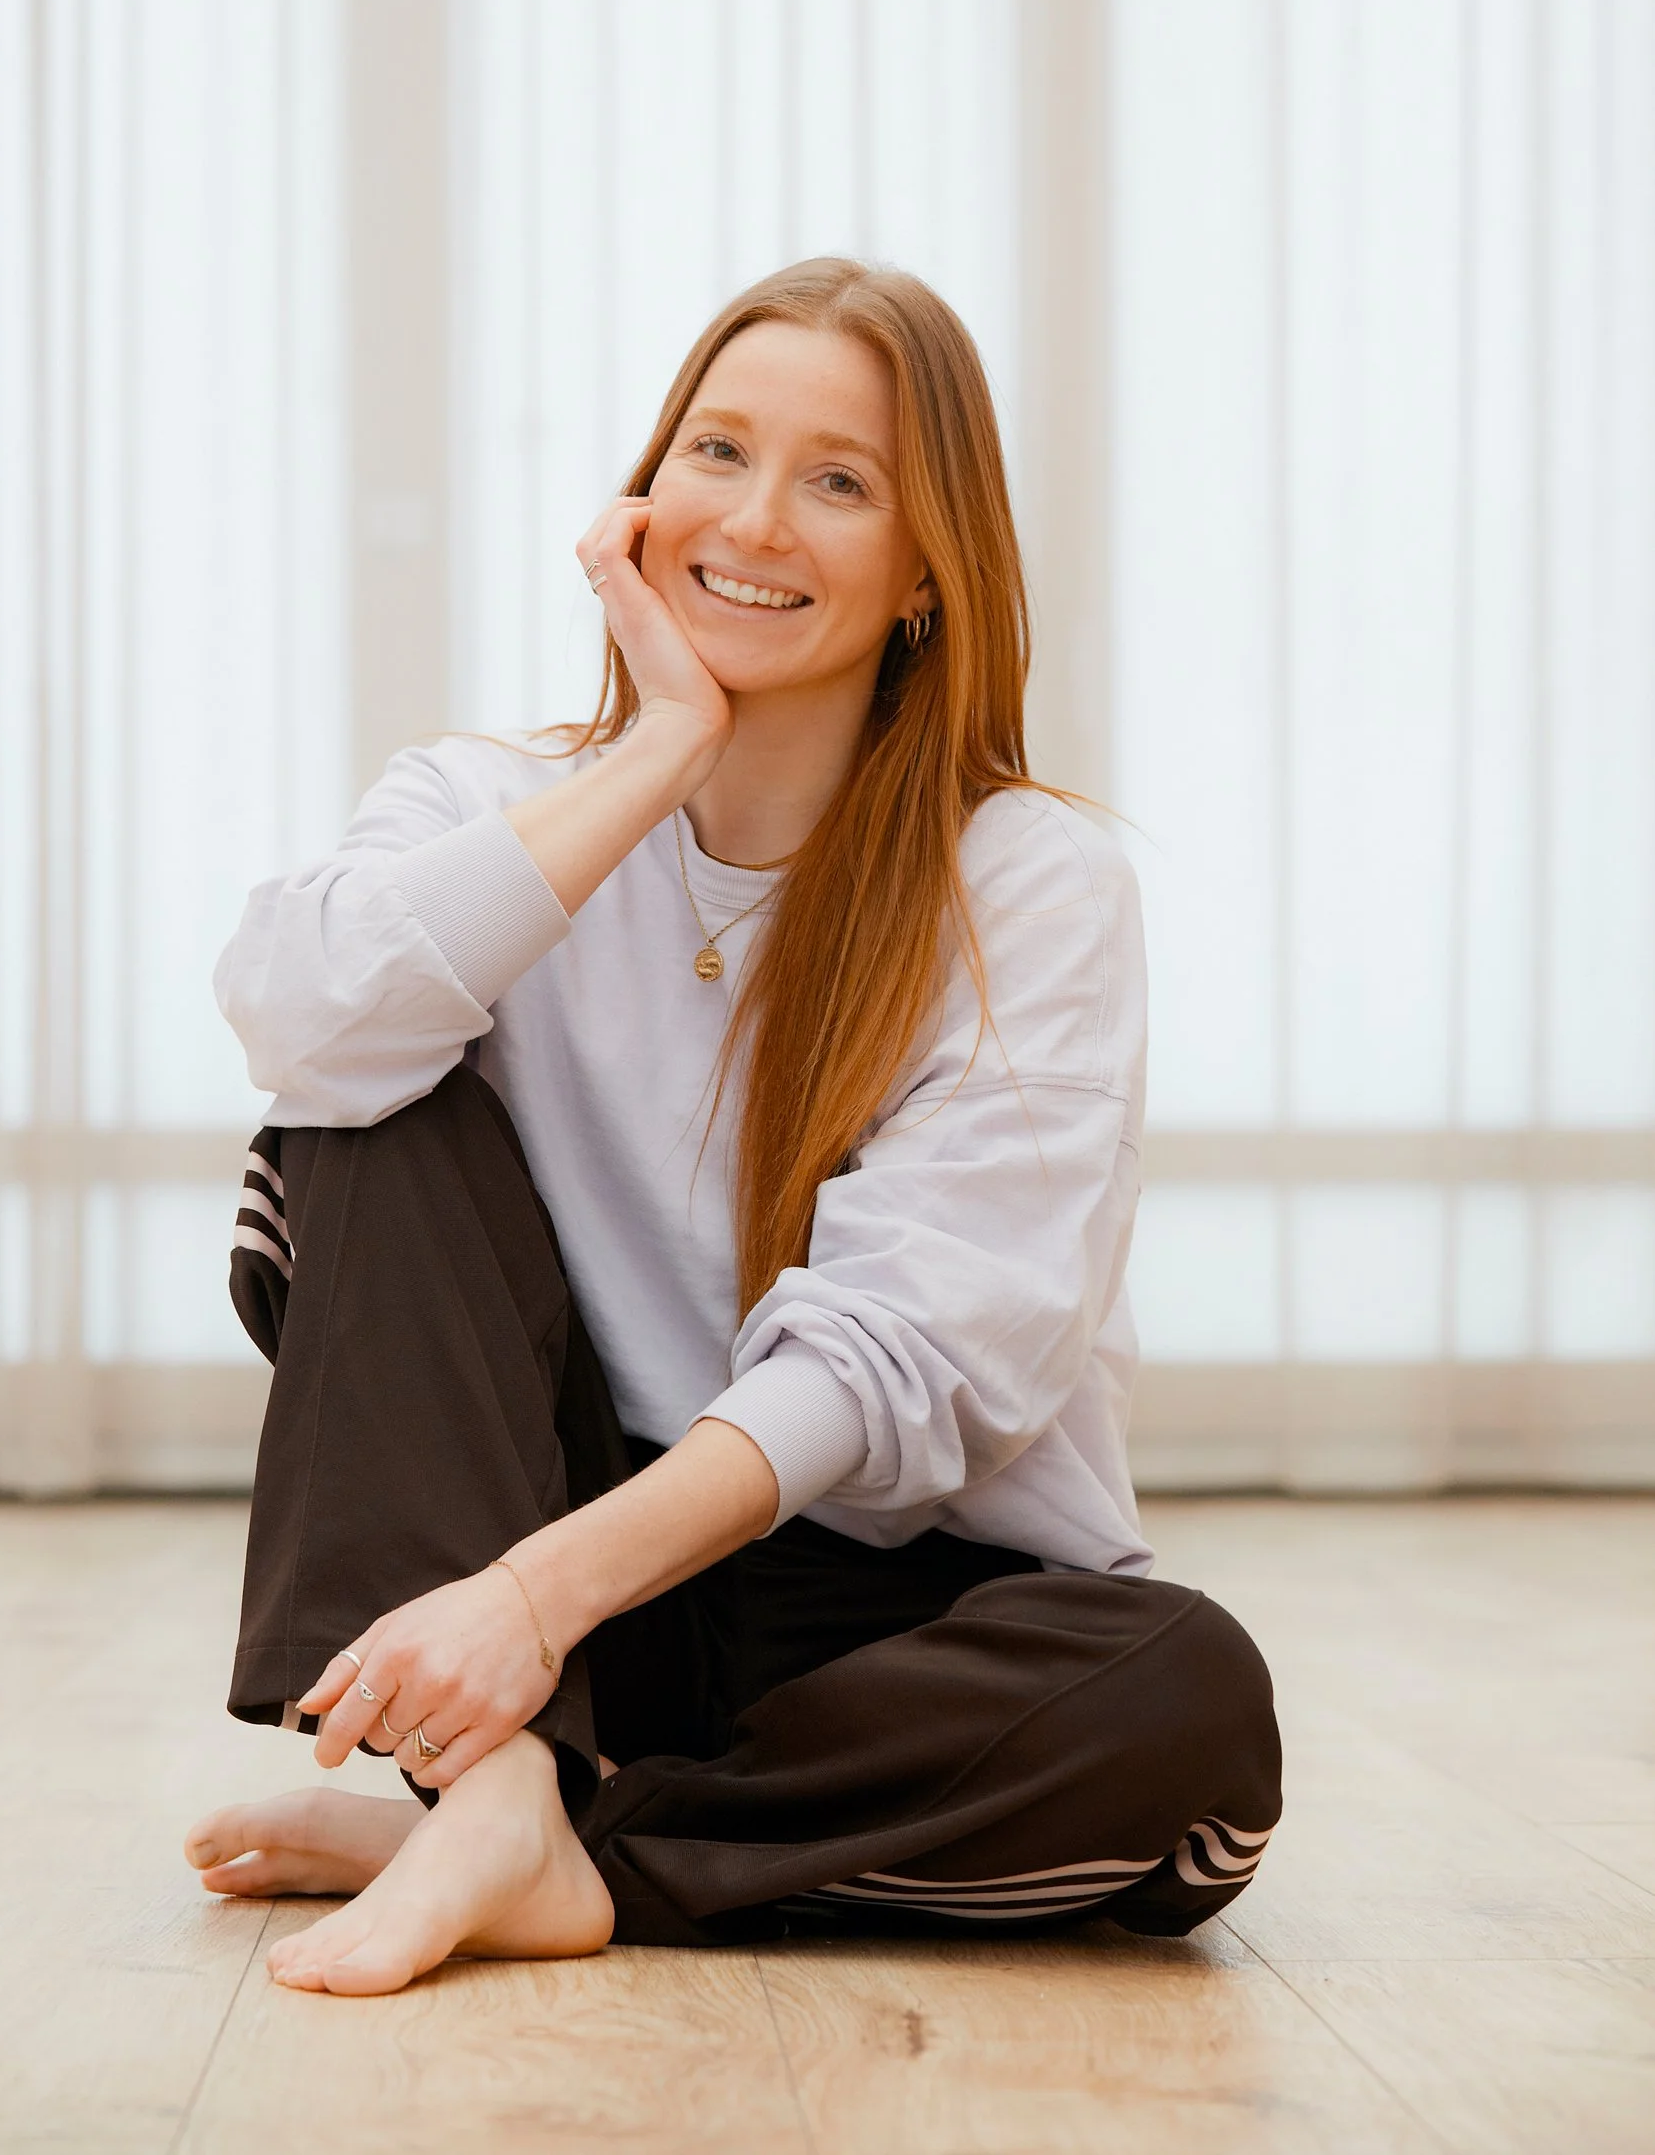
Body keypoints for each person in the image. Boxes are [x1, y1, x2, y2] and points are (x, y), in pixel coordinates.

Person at [185, 257, 1281, 1996]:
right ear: (642, 494)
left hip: (881, 1610)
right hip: (573, 1580)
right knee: (353, 1121)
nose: (756, 520)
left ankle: (539, 1827)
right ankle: (523, 1787)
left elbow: (906, 1356)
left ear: (929, 574)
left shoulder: (1028, 883)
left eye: (839, 482)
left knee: (1188, 1719)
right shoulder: (488, 801)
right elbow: (301, 1029)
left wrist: (533, 1609)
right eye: (717, 451)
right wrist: (655, 757)